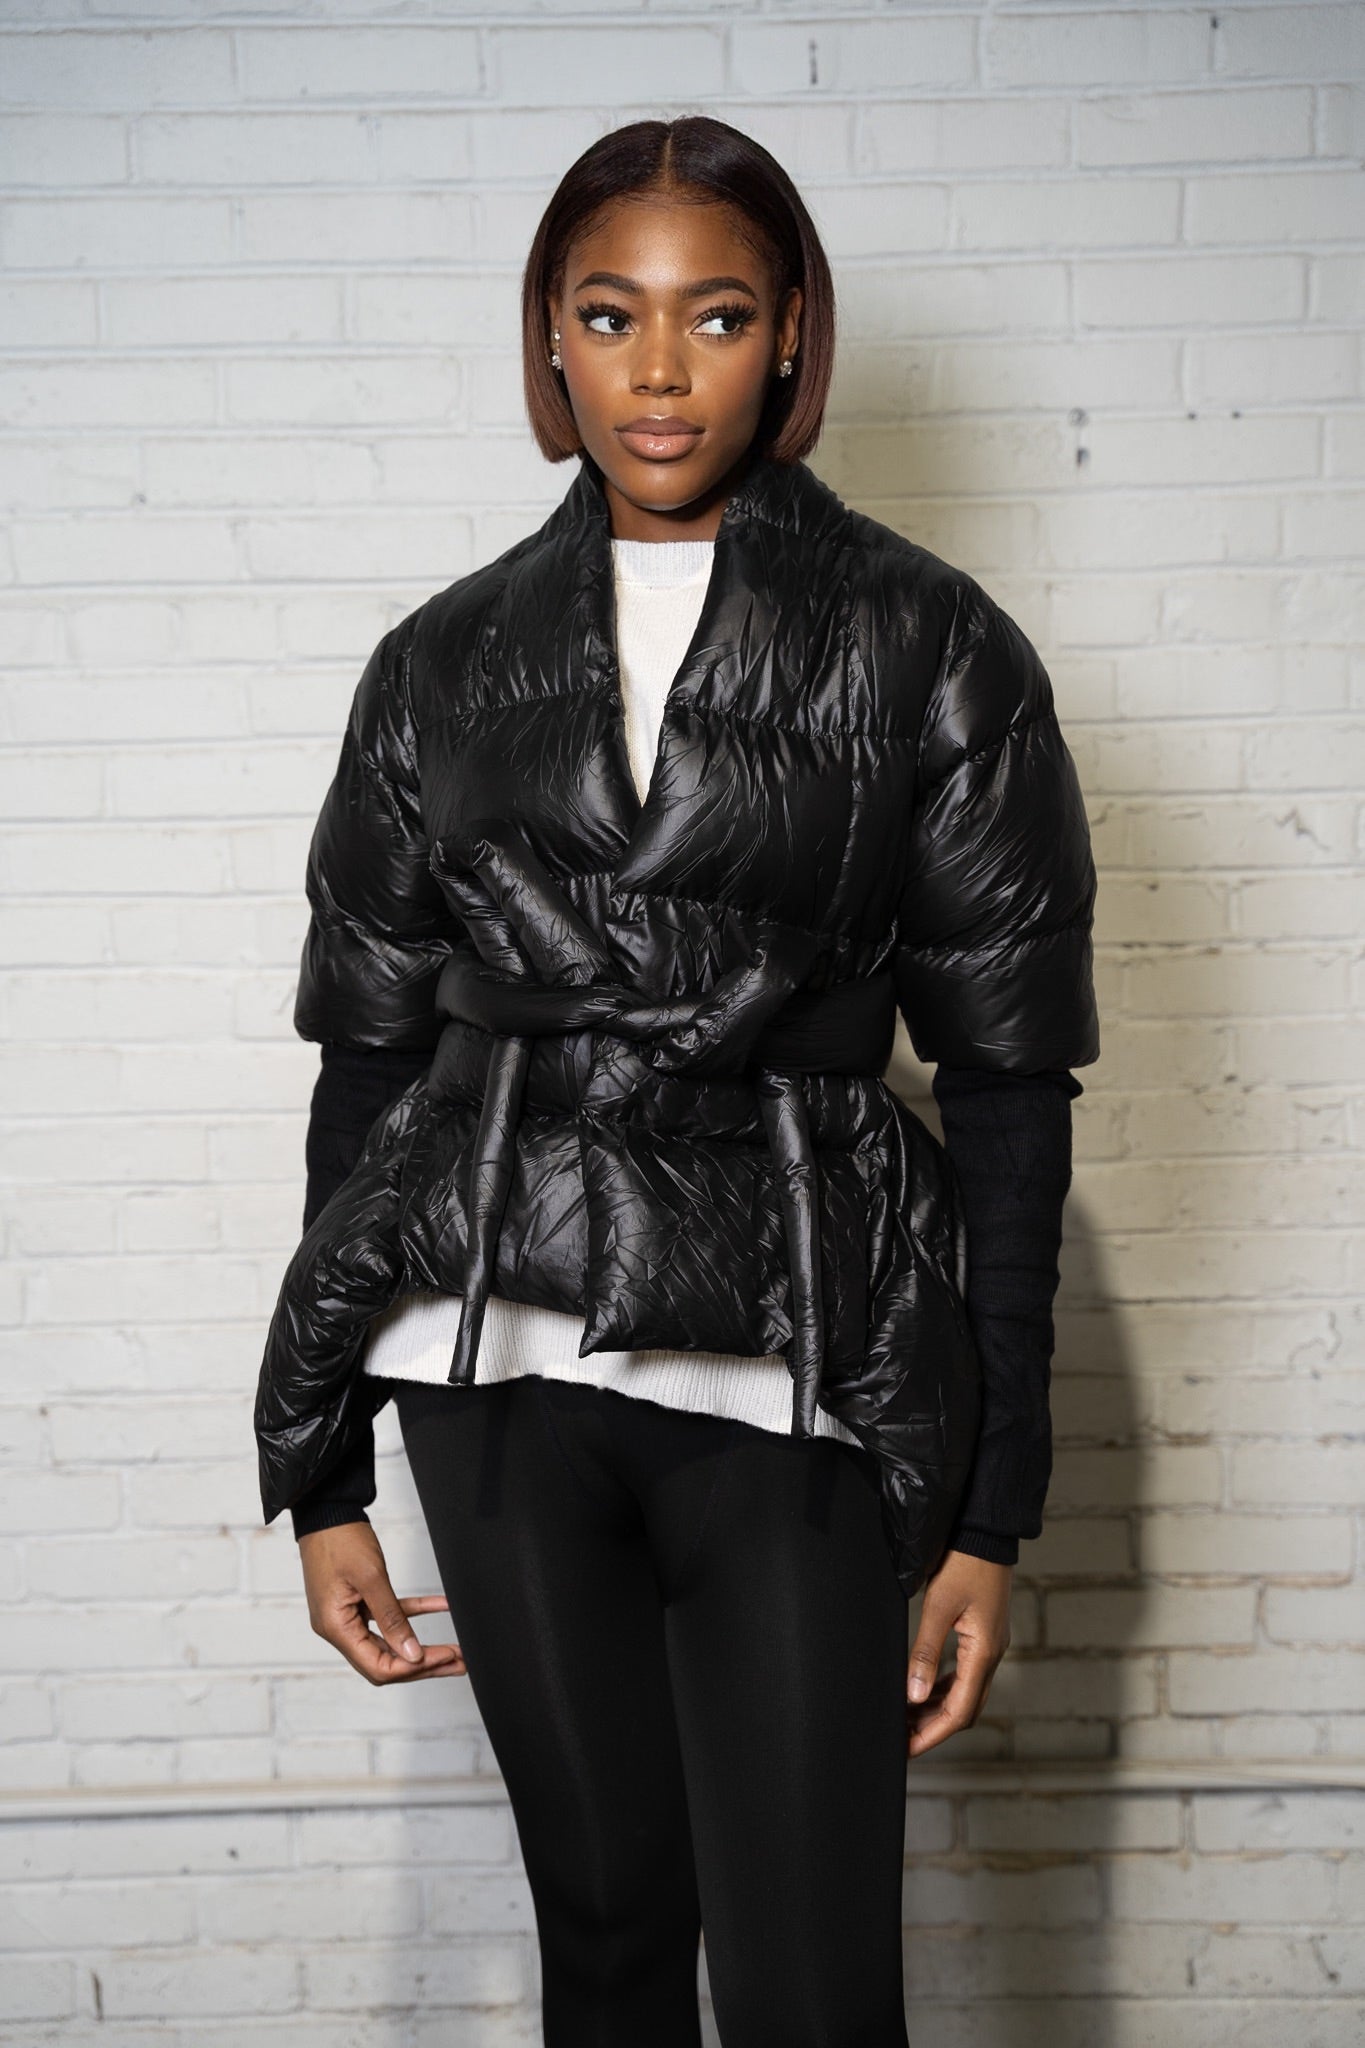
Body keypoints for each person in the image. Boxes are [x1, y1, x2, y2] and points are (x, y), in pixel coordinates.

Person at [255, 115, 1098, 2047]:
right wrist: (319, 1471)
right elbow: (365, 1069)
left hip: (800, 1356)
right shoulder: (438, 661)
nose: (657, 369)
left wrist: (990, 1510)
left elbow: (1007, 1092)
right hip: (489, 1370)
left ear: (790, 333)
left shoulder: (932, 642)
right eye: (606, 314)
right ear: (547, 336)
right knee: (612, 1945)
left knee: (811, 1990)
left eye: (714, 316)